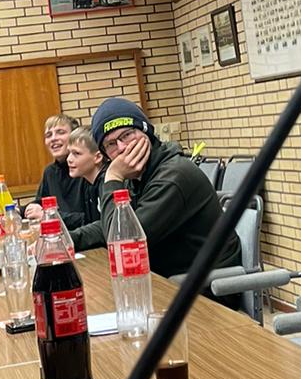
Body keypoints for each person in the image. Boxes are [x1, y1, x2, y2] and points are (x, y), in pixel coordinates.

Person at [90, 97, 242, 283]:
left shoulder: (173, 176)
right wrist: (68, 238)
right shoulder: (138, 175)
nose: (122, 147)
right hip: (170, 279)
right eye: (111, 144)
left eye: (127, 135)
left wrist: (113, 177)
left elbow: (123, 242)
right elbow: (116, 225)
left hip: (206, 287)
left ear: (146, 131)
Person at [24, 113, 94, 232]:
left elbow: (90, 220)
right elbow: (40, 202)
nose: (53, 138)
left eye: (60, 132)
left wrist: (49, 216)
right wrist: (17, 210)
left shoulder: (86, 169)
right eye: (48, 135)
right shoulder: (50, 172)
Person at [65, 125, 106, 252]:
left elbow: (105, 227)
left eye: (76, 153)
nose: (69, 159)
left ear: (97, 157)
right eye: (69, 152)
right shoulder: (87, 183)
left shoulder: (107, 183)